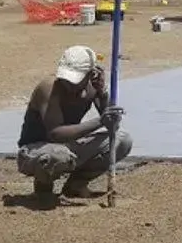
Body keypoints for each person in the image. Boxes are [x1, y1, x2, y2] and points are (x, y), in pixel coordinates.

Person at [17, 45, 132, 199]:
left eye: (75, 80)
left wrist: (103, 94)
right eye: (66, 79)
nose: (69, 84)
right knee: (57, 155)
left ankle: (76, 184)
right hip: (35, 150)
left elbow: (113, 126)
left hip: (67, 146)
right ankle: (43, 186)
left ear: (91, 74)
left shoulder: (93, 88)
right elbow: (56, 133)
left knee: (122, 140)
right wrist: (100, 121)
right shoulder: (49, 88)